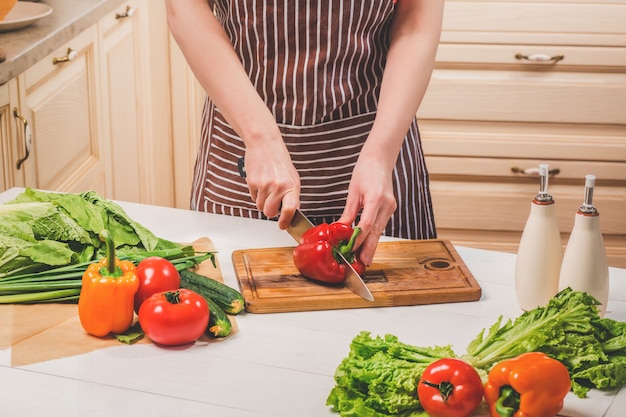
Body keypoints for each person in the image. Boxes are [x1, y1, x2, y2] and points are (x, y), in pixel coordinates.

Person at [166, 0, 444, 266]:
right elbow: (184, 6)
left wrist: (381, 153)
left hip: (377, 156)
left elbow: (416, 24)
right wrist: (259, 137)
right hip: (244, 163)